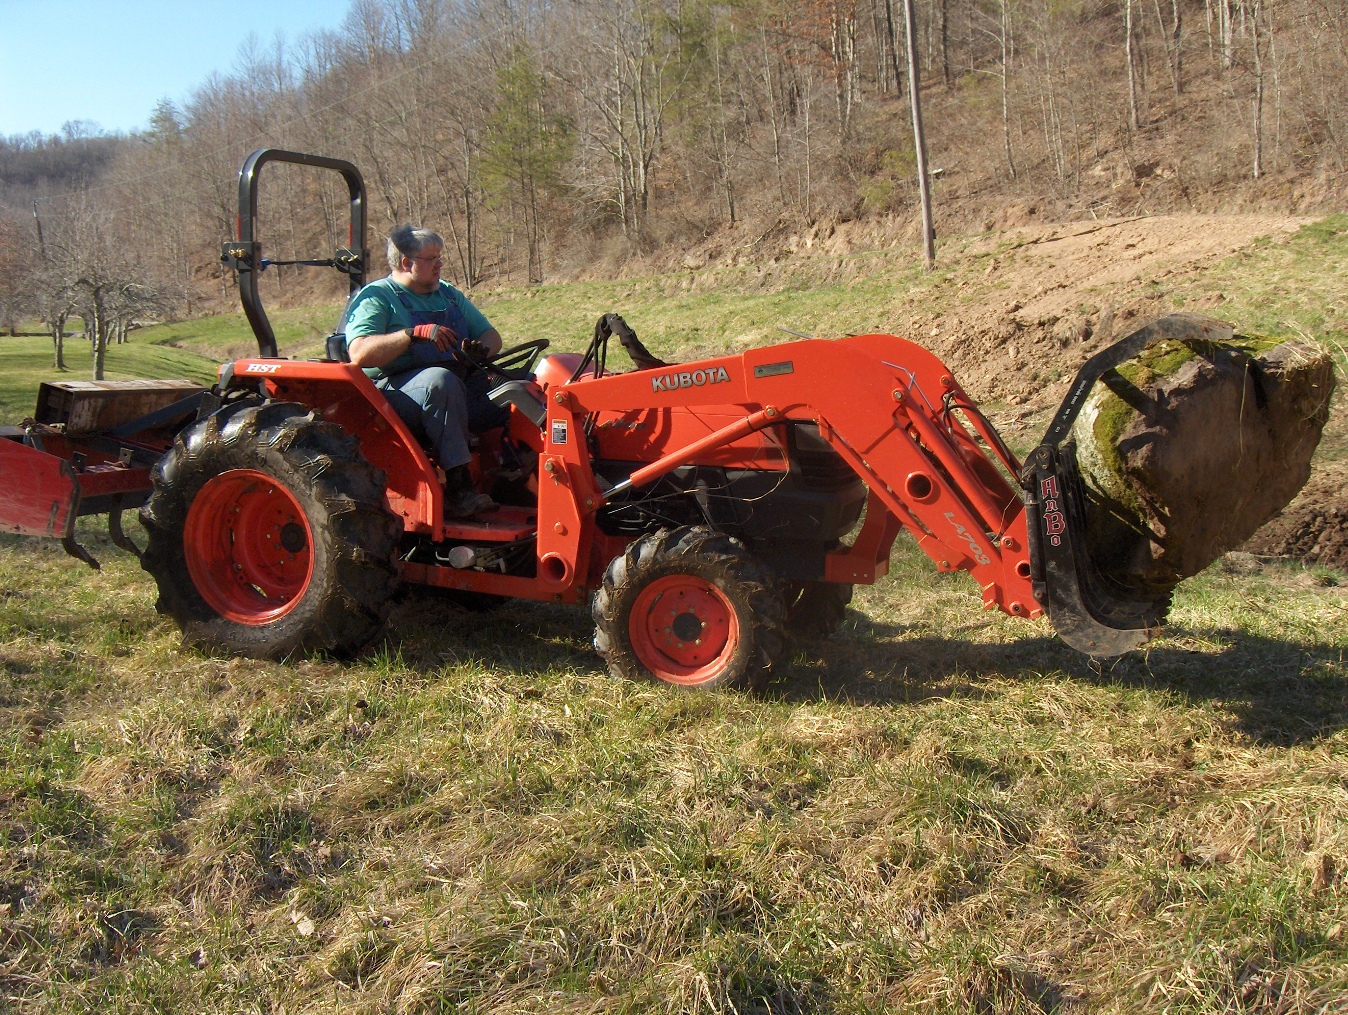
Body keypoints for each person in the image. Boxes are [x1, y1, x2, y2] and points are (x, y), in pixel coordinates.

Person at [345, 226, 508, 517]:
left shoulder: (448, 295)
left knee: (518, 386)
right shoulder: (377, 297)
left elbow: (491, 336)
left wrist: (478, 352)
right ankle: (459, 489)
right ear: (407, 263)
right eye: (432, 259)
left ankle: (518, 472)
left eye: (440, 257)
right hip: (392, 392)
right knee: (440, 382)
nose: (440, 264)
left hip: (453, 379)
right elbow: (360, 353)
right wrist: (411, 334)